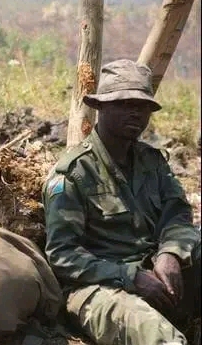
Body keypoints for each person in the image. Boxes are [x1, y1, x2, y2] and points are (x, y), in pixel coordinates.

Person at [43, 59, 201, 345]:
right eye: (124, 103)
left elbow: (177, 214)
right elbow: (62, 256)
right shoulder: (73, 174)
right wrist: (130, 276)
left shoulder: (151, 162)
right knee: (158, 337)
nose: (136, 113)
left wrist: (171, 253)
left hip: (154, 270)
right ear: (101, 107)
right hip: (98, 288)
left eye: (142, 106)